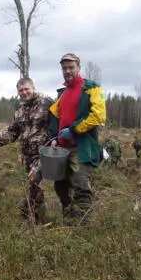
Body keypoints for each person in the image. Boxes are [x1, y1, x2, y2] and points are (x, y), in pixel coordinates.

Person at [0, 77, 53, 224]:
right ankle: (38, 220)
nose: (24, 92)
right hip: (28, 154)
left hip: (44, 153)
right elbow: (13, 132)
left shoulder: (47, 103)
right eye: (21, 90)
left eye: (27, 89)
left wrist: (57, 141)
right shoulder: (20, 111)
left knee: (34, 181)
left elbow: (58, 123)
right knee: (34, 186)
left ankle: (29, 217)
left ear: (33, 88)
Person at [48, 53, 106, 225]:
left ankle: (83, 229)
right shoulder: (62, 93)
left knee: (81, 186)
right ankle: (69, 220)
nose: (67, 71)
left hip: (81, 147)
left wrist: (74, 130)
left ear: (78, 68)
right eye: (64, 68)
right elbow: (55, 116)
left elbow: (98, 116)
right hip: (61, 149)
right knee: (61, 186)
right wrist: (54, 137)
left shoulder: (91, 88)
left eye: (71, 67)